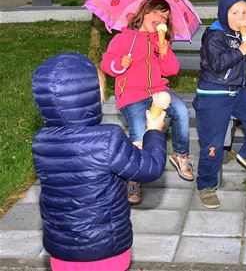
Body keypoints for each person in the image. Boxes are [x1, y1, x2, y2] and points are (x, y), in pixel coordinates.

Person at [31, 53, 167, 271]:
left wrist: (129, 153)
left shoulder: (41, 140)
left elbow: (85, 170)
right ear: (93, 96)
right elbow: (150, 168)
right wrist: (154, 132)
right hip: (104, 249)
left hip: (62, 249)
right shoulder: (108, 139)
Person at [101, 0, 193, 205]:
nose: (160, 18)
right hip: (132, 93)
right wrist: (120, 63)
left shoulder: (161, 42)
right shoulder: (124, 38)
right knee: (139, 134)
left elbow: (172, 70)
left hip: (158, 90)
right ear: (144, 12)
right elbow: (107, 63)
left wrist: (164, 50)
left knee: (181, 111)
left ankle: (180, 155)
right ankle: (134, 178)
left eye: (165, 17)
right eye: (157, 13)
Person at [192, 0, 246, 209]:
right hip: (213, 95)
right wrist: (240, 51)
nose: (241, 17)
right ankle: (206, 185)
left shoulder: (242, 36)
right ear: (223, 14)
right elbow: (217, 64)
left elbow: (244, 68)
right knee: (213, 146)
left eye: (245, 12)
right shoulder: (214, 36)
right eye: (235, 13)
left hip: (236, 92)